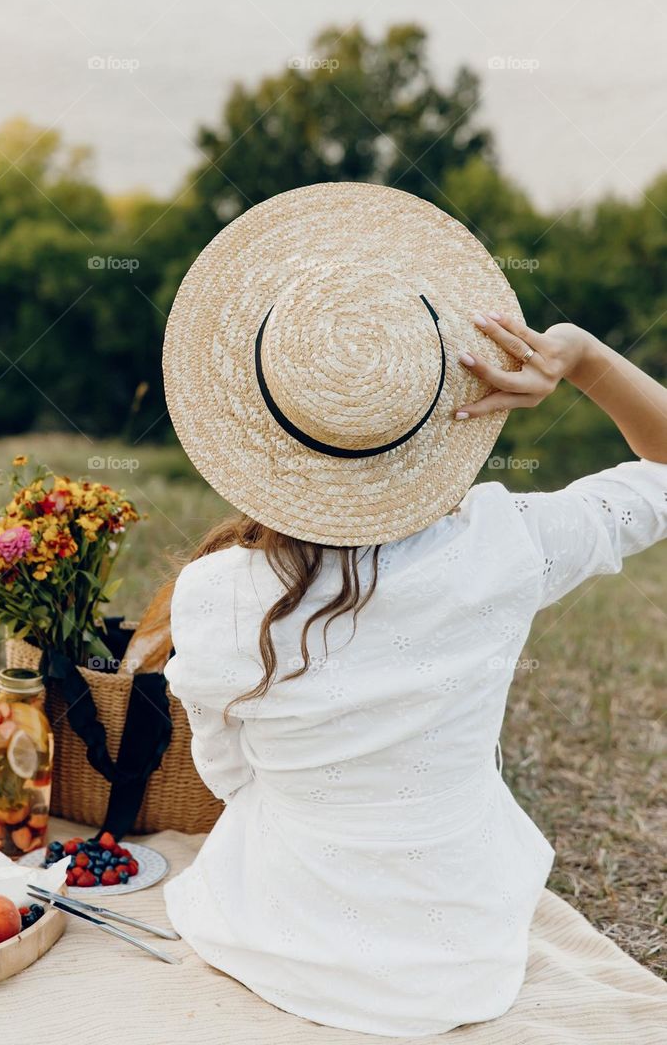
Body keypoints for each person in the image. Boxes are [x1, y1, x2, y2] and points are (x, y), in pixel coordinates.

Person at [157, 182, 667, 1038]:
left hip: (273, 943)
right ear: (441, 405)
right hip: (464, 960)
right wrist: (579, 359)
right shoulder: (509, 543)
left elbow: (227, 777)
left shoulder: (210, 595)